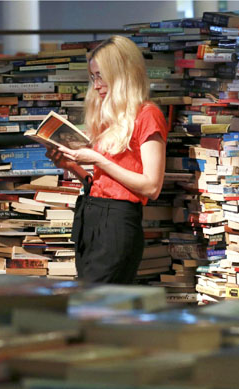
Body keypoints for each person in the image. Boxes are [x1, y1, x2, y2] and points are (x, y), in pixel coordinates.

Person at [46, 35, 167, 284]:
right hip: (91, 216)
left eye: (101, 76)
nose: (97, 85)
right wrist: (73, 167)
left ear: (121, 73)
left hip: (116, 222)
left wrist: (98, 160)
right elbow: (107, 184)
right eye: (93, 77)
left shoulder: (148, 115)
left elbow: (151, 187)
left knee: (95, 307)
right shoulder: (113, 117)